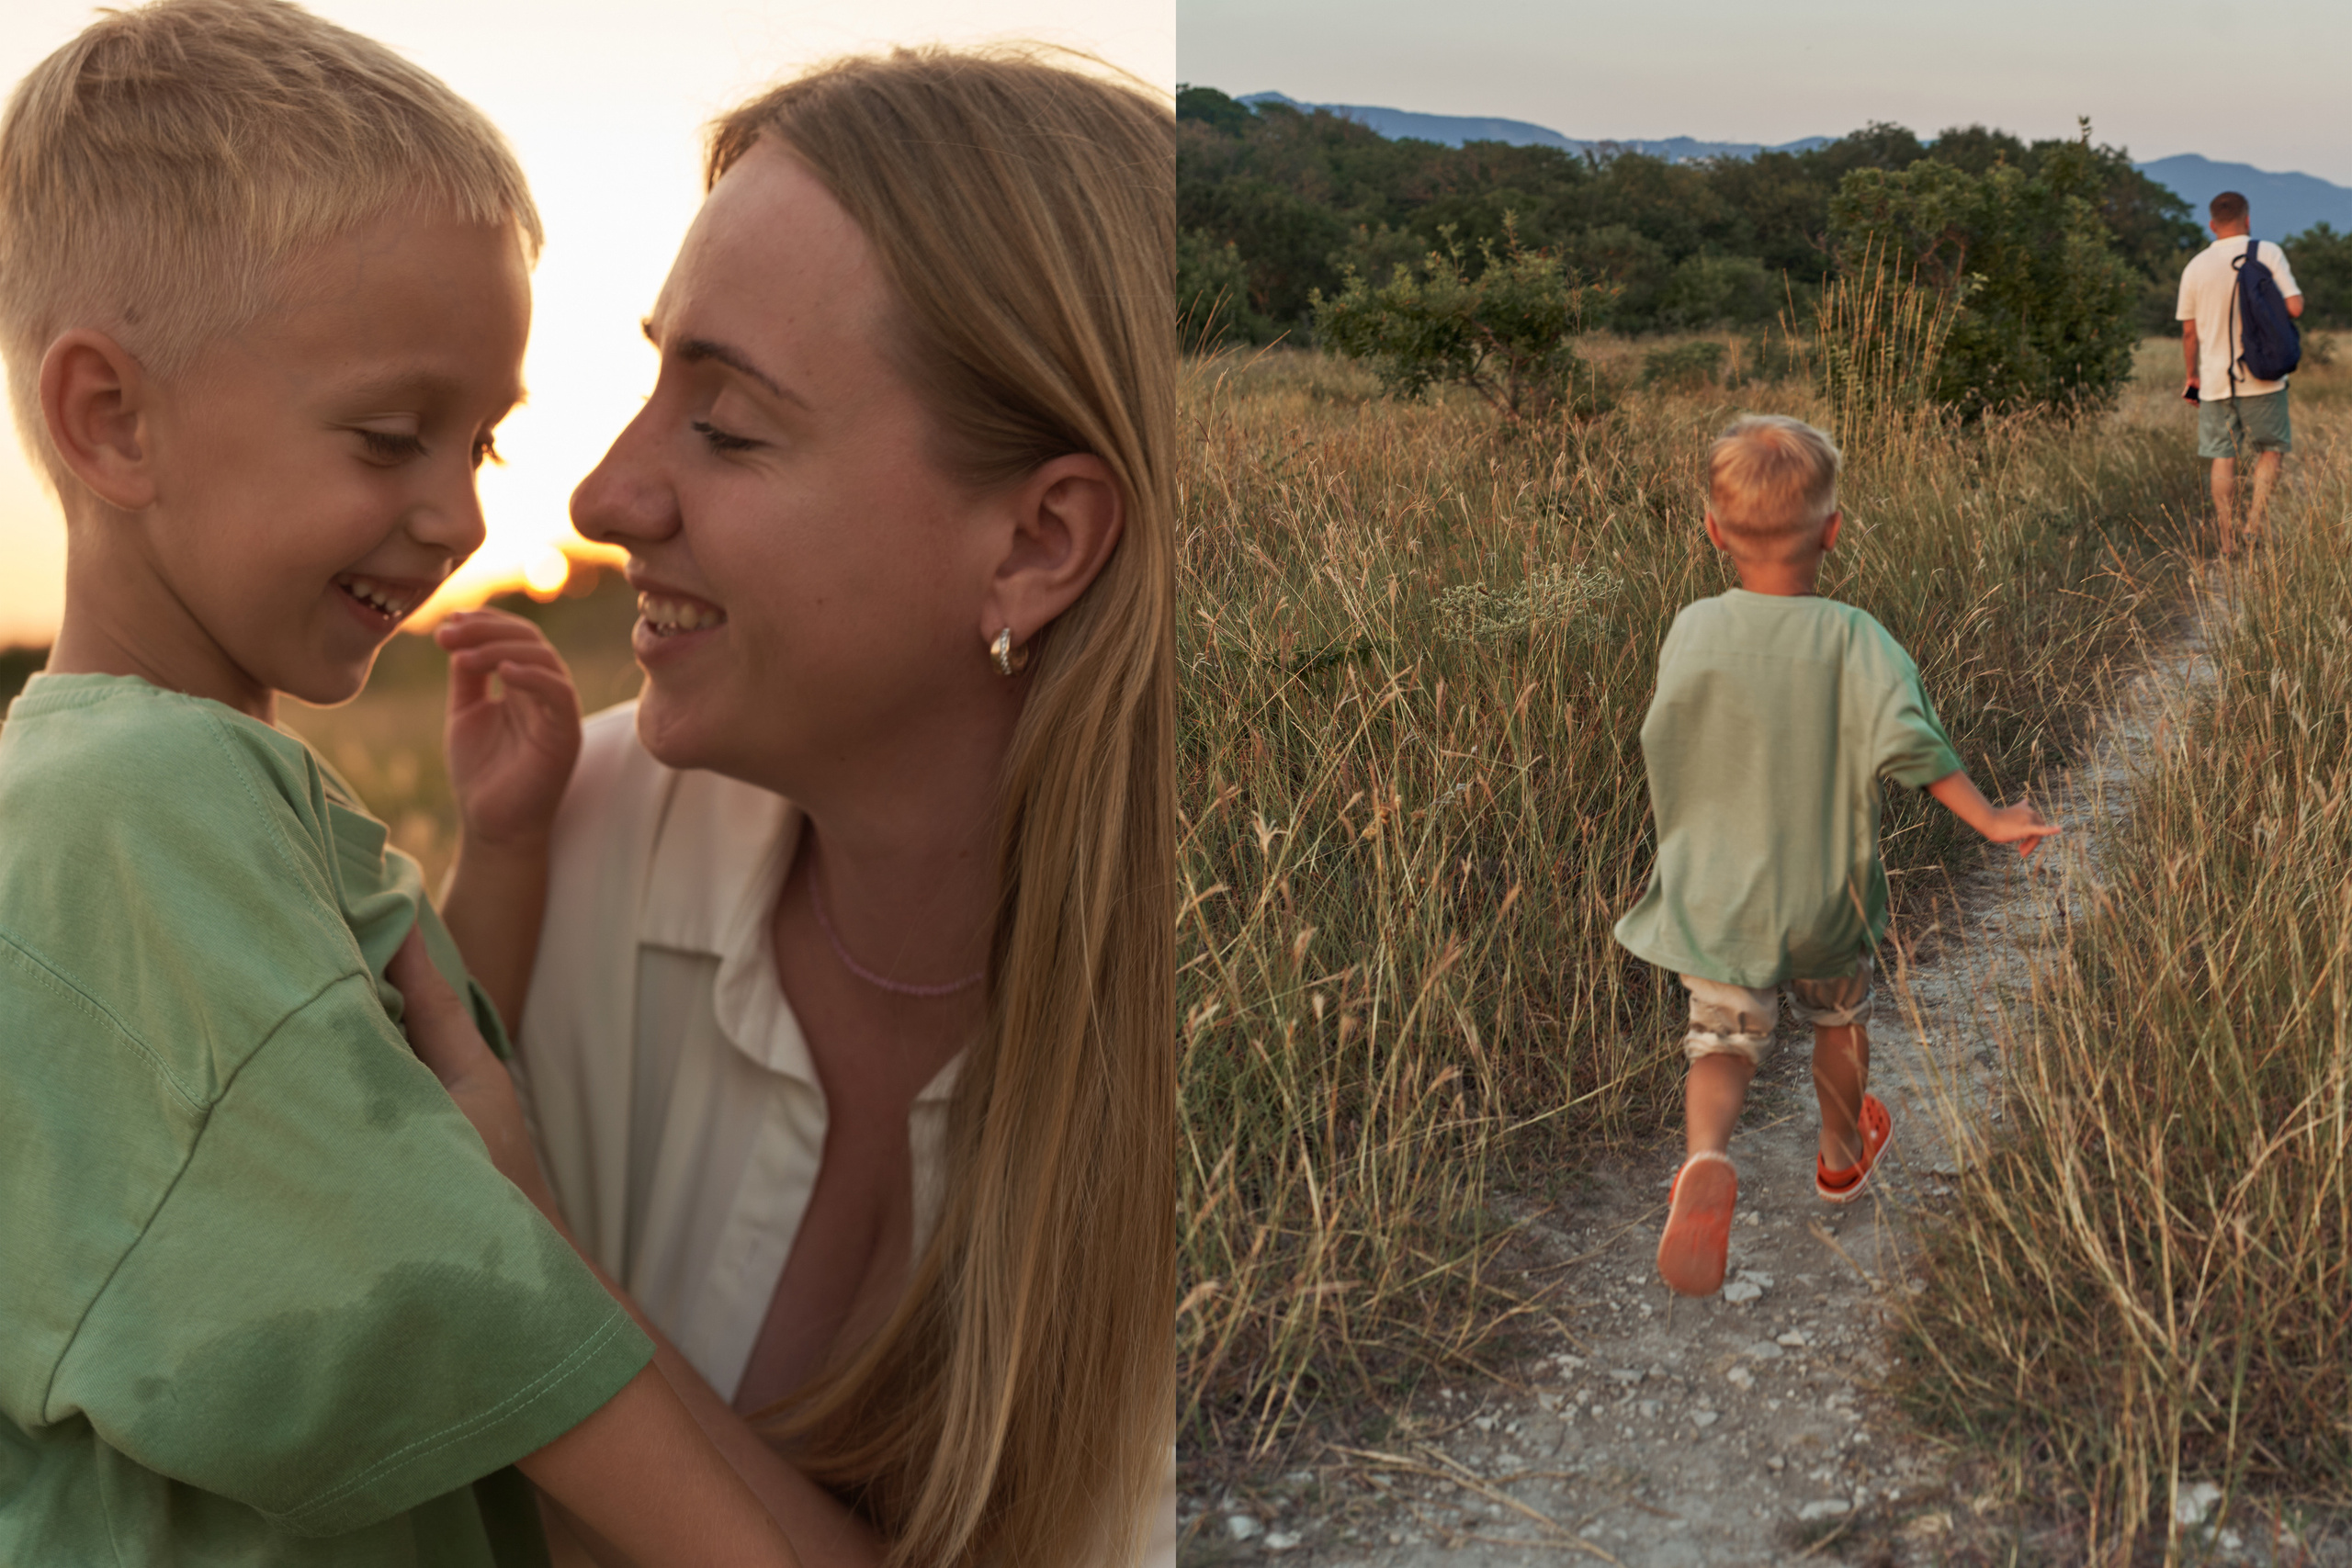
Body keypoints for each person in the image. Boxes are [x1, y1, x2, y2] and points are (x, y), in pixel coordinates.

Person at [0, 3, 830, 1562]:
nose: (456, 513)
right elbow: (445, 1273)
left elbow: (413, 1105)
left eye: (482, 443)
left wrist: (497, 859)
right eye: (390, 438)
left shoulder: (174, 778)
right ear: (111, 418)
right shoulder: (134, 807)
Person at [424, 47, 1177, 1568]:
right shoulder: (566, 838)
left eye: (728, 422)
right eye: (655, 387)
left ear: (1038, 542)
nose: (602, 498)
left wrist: (519, 1263)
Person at [1613, 415, 2059, 1299]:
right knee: (1837, 1018)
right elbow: (1913, 746)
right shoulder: (1855, 636)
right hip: (1826, 900)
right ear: (1832, 529)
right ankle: (1841, 1157)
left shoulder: (1692, 628)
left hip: (1717, 898)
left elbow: (1666, 736)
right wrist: (1989, 819)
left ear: (1711, 531)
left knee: (1722, 1040)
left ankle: (1705, 1156)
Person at [2179, 190, 2305, 553]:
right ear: (2248, 221)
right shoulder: (2268, 253)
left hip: (2216, 380)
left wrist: (2192, 376)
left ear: (2212, 224)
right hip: (2264, 375)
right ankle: (2253, 525)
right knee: (2271, 449)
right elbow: (2295, 307)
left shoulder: (2195, 266)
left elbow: (2189, 332)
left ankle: (2226, 539)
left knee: (2223, 454)